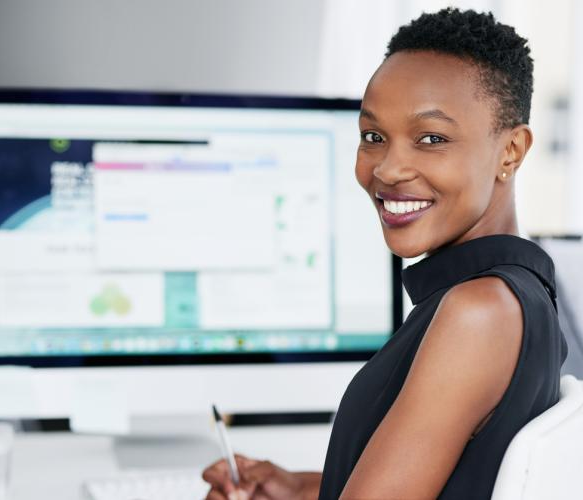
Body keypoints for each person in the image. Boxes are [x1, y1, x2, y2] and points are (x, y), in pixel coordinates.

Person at [202, 7, 567, 500]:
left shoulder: (477, 313)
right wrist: (300, 490)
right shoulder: (515, 292)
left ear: (511, 151)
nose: (389, 169)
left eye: (431, 139)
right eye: (373, 136)